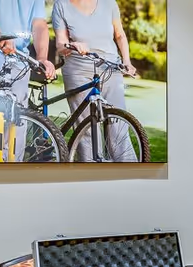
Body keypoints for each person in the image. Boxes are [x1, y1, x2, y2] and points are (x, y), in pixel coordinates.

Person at [0, 0, 57, 161]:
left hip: (17, 56)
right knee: (11, 91)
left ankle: (13, 164)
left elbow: (39, 23)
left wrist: (42, 58)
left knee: (19, 109)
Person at [52, 0, 138, 161]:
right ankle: (89, 174)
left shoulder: (109, 3)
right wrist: (71, 45)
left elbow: (119, 34)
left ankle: (129, 172)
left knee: (118, 125)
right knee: (85, 128)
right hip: (78, 69)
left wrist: (126, 61)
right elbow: (60, 44)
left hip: (110, 67)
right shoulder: (61, 5)